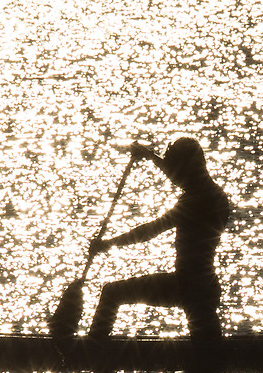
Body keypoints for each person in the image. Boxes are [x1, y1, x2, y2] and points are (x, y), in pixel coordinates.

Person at [84, 136, 232, 344]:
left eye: (176, 169)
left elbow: (151, 230)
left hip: (188, 286)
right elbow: (176, 173)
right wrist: (148, 155)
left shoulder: (196, 201)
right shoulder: (214, 194)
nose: (172, 177)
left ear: (187, 168)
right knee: (208, 351)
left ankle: (92, 352)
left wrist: (107, 244)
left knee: (111, 293)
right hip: (204, 287)